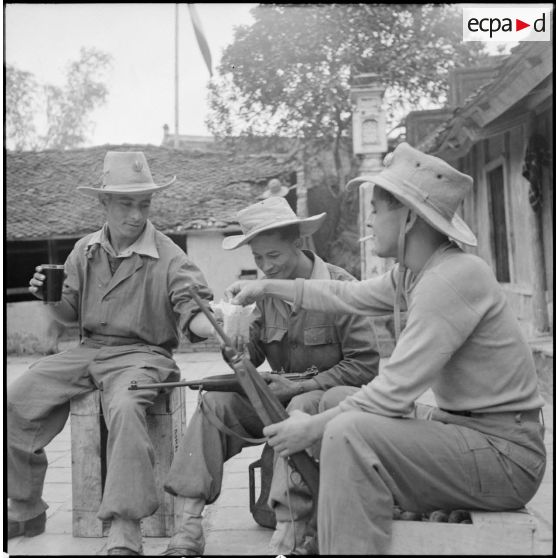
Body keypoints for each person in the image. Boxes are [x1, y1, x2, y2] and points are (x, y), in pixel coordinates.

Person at [225, 142, 547, 555]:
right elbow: (345, 294)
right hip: (465, 432)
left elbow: (394, 391)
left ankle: (341, 544)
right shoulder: (415, 273)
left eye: (376, 210)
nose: (369, 220)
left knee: (345, 430)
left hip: (505, 457)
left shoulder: (450, 279)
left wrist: (311, 428)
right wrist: (266, 286)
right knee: (335, 402)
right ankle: (328, 534)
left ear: (409, 216)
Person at [7, 151, 217, 556]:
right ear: (103, 203)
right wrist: (47, 297)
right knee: (16, 399)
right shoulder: (84, 250)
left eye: (144, 204)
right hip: (88, 351)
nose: (136, 215)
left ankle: (125, 528)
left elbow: (194, 310)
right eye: (125, 203)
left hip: (144, 355)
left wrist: (215, 324)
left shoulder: (171, 257)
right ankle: (26, 505)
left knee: (124, 408)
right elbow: (69, 314)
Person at [163, 196, 380, 555]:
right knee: (215, 402)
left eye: (274, 255)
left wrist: (300, 385)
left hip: (325, 406)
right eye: (258, 258)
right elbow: (252, 354)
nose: (267, 266)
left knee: (301, 405)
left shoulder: (341, 286)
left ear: (297, 242)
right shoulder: (264, 292)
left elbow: (365, 365)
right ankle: (188, 526)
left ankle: (289, 533)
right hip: (277, 397)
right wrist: (233, 341)